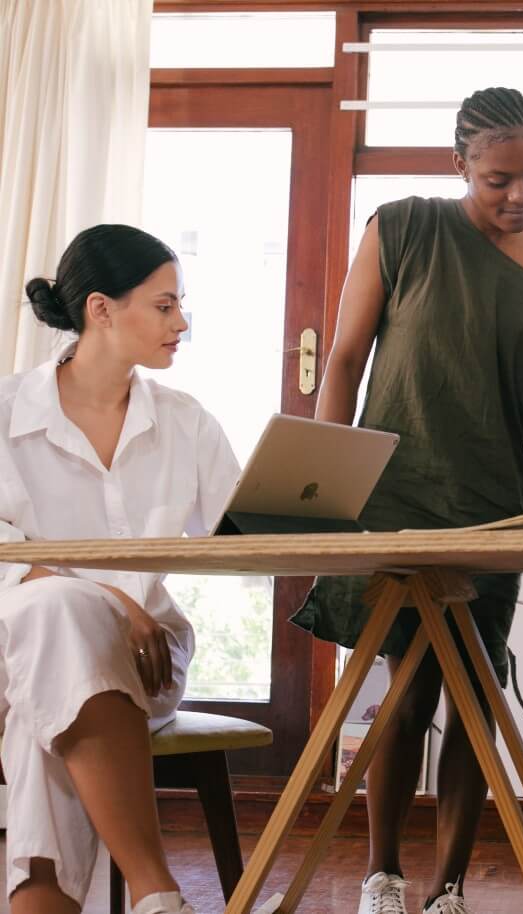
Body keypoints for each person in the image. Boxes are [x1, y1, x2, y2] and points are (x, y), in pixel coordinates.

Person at [290, 87, 523, 914]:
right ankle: (381, 877)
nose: (519, 195)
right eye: (499, 178)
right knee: (408, 686)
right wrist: (322, 488)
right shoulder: (403, 226)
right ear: (458, 164)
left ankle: (448, 887)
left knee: (474, 693)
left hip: (494, 502)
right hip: (398, 492)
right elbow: (346, 359)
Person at [0, 225, 240, 914]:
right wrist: (109, 598)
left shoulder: (186, 422)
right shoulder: (5, 414)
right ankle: (156, 890)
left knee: (43, 705)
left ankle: (145, 896)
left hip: (143, 664)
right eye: (164, 306)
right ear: (101, 309)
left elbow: (240, 537)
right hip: (12, 648)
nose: (182, 323)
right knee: (57, 617)